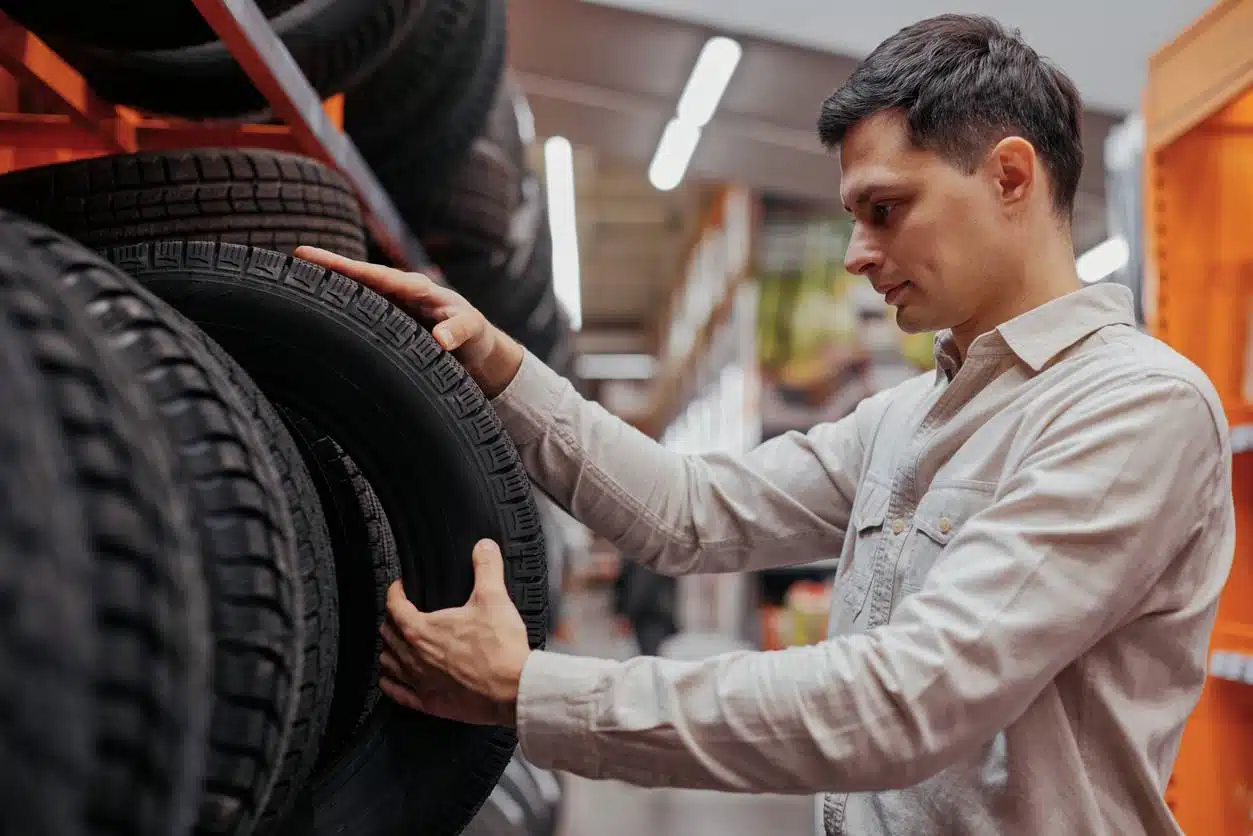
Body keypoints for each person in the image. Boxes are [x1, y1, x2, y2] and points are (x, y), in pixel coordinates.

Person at [294, 13, 1235, 835]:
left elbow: (901, 703)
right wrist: (497, 365)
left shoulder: (1131, 410)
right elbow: (689, 512)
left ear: (1010, 177)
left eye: (885, 209)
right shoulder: (911, 414)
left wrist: (529, 689)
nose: (857, 255)